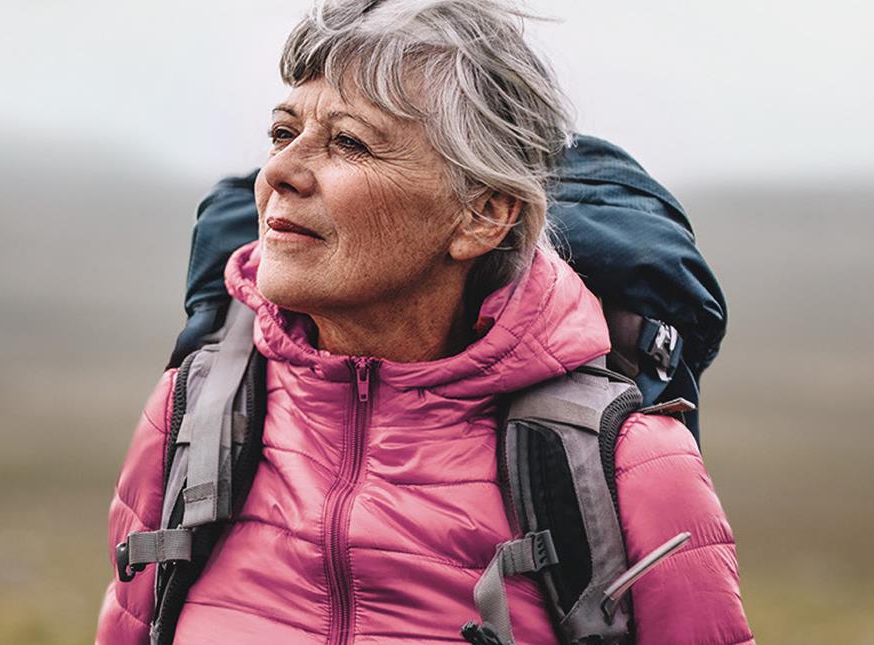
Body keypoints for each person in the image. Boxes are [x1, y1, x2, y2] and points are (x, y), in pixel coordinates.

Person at [96, 1, 752, 642]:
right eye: (282, 132)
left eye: (348, 142)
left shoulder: (631, 468)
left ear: (483, 216)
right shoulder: (194, 414)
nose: (278, 173)